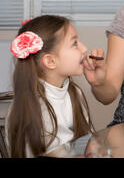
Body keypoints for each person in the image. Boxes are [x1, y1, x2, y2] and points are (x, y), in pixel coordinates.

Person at [6, 16, 91, 157]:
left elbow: (86, 142)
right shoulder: (35, 107)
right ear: (50, 61)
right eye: (75, 43)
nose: (84, 48)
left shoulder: (74, 92)